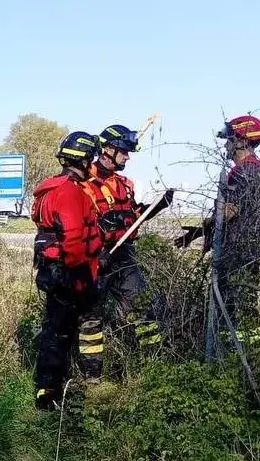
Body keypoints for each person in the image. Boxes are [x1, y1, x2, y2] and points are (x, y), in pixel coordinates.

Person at [78, 124, 177, 381]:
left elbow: (132, 217)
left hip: (123, 257)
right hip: (95, 257)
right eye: (123, 151)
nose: (127, 157)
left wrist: (153, 208)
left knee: (145, 310)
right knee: (90, 318)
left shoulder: (125, 184)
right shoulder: (83, 181)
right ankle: (92, 378)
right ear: (108, 150)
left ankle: (153, 366)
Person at [30, 131, 106, 411]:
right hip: (69, 274)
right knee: (60, 334)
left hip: (53, 270)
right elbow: (73, 242)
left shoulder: (50, 189)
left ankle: (48, 389)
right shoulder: (70, 192)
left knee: (55, 330)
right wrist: (82, 281)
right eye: (91, 159)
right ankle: (49, 395)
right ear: (84, 160)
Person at [176, 115, 260, 330]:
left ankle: (231, 346)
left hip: (235, 246)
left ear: (241, 141)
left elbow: (230, 211)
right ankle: (250, 346)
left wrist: (201, 229)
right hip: (252, 244)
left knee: (228, 301)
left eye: (229, 140)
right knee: (246, 299)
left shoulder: (242, 171)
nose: (226, 145)